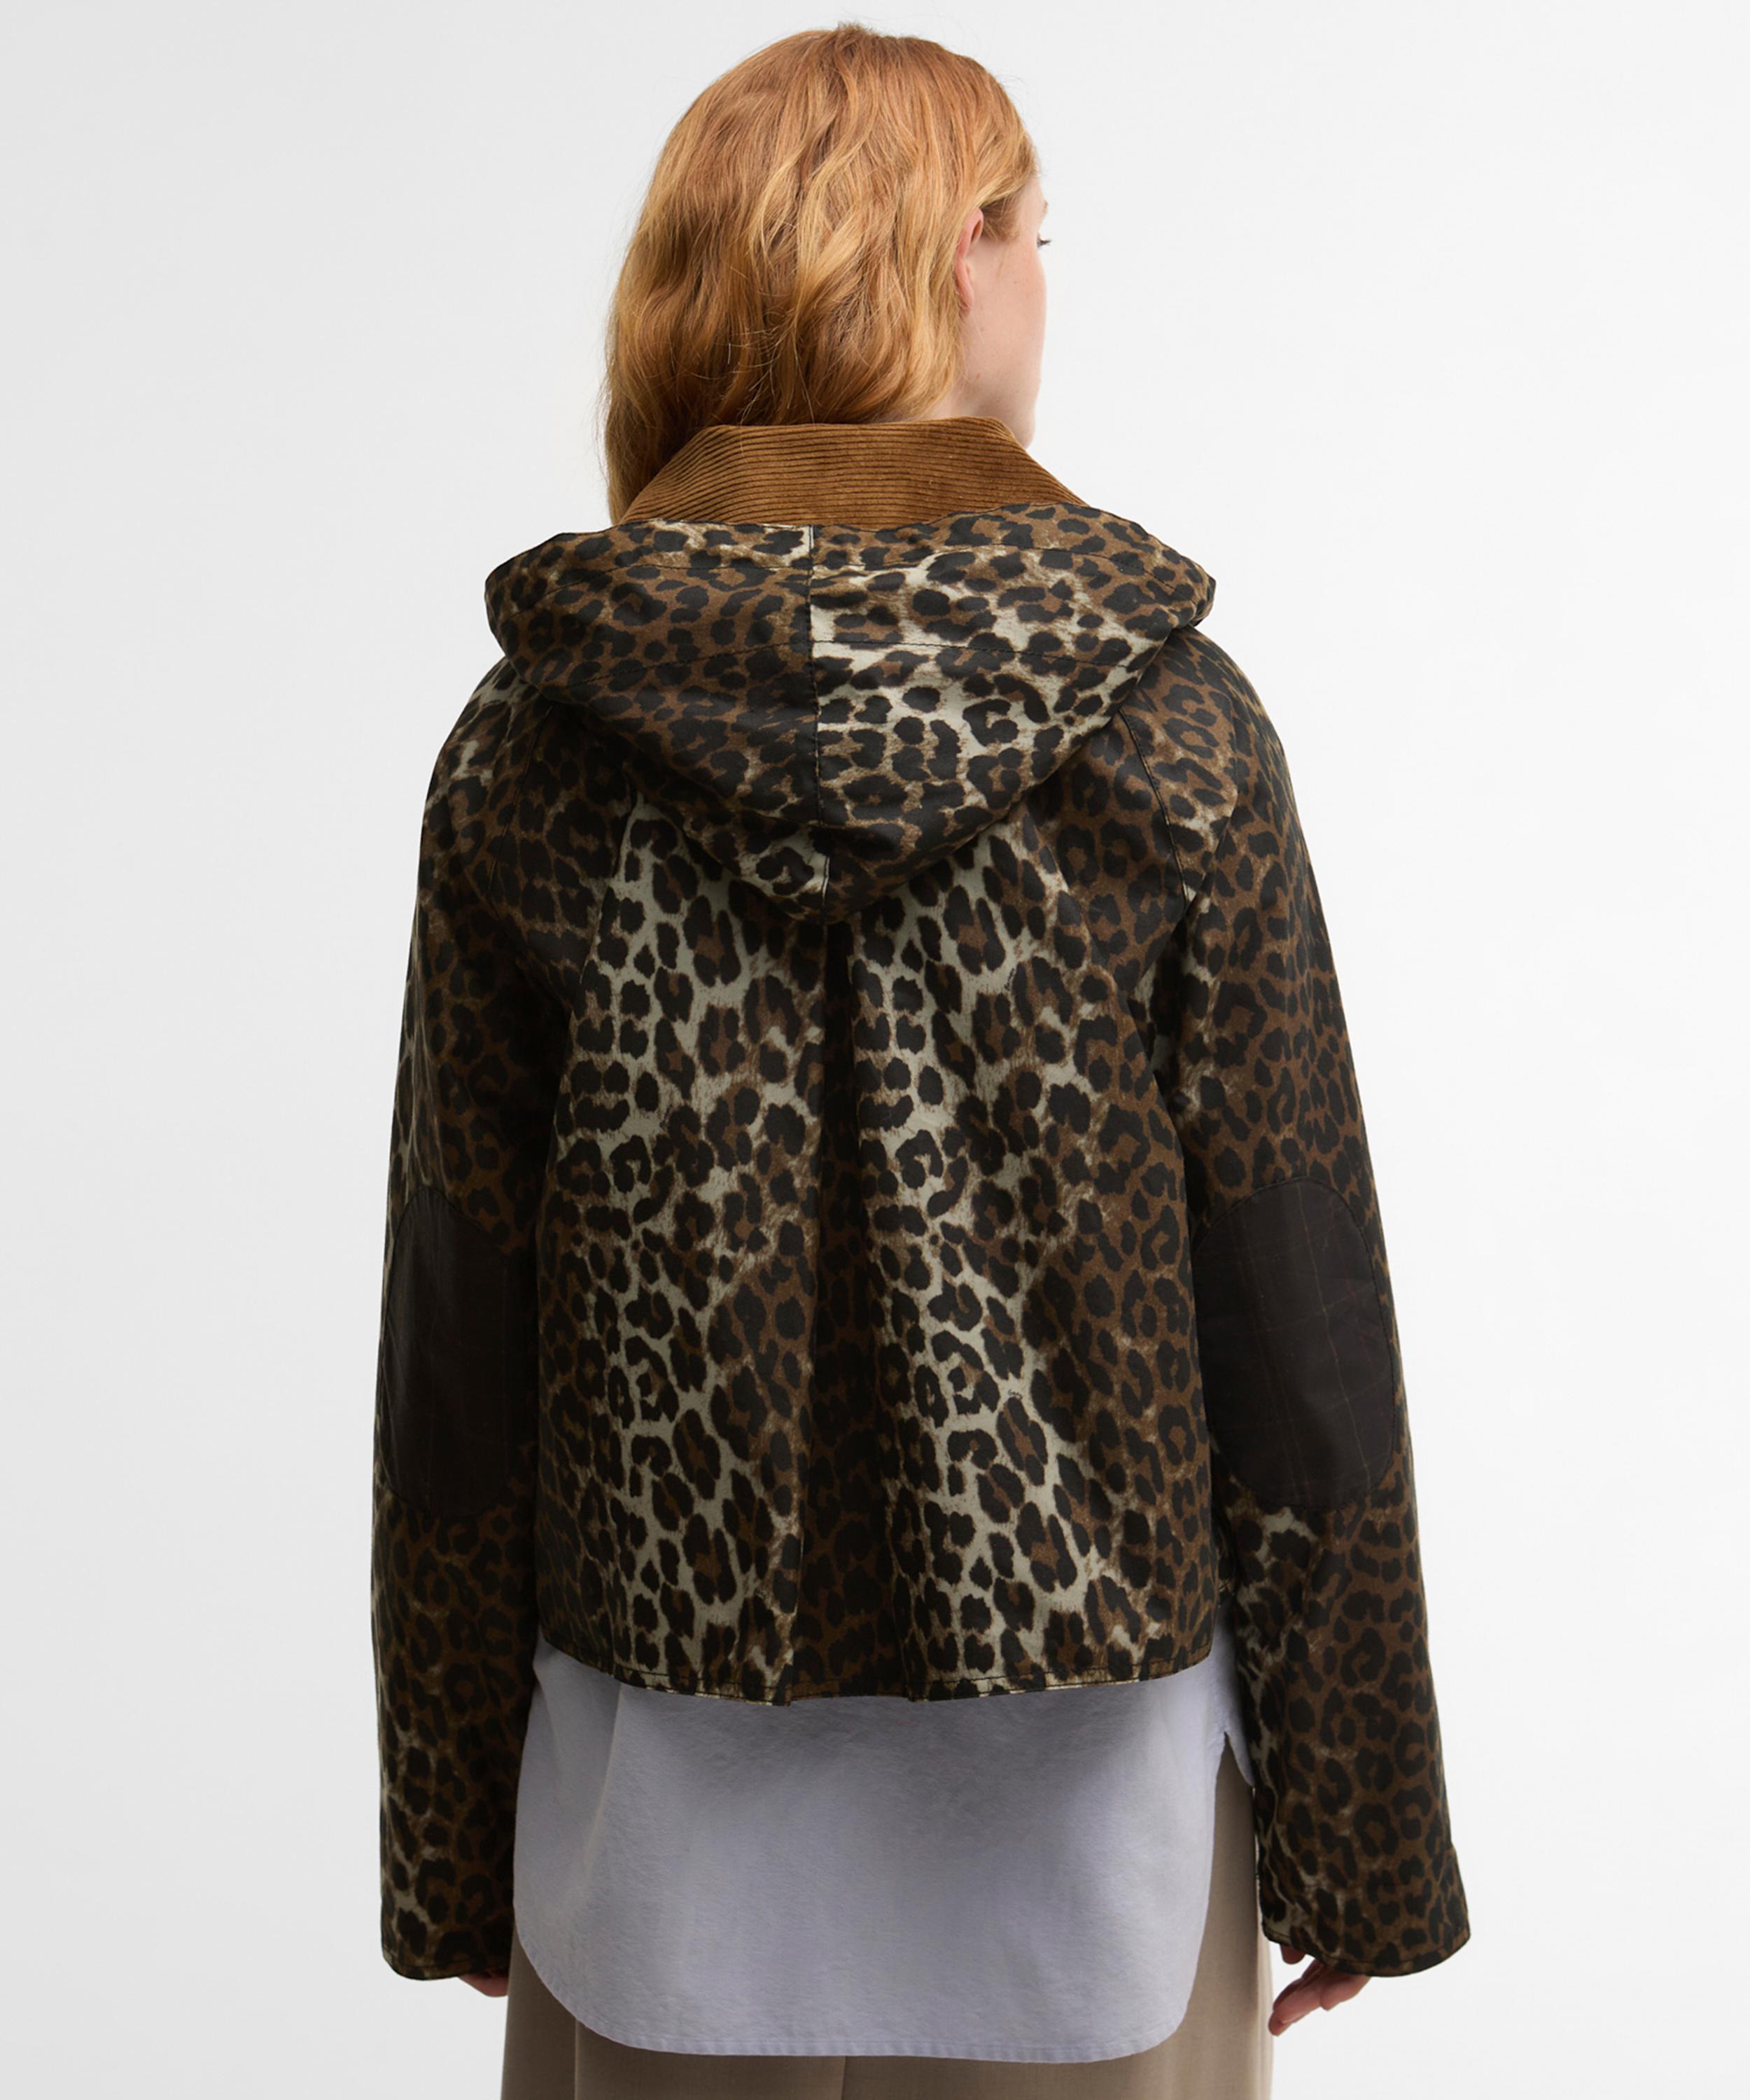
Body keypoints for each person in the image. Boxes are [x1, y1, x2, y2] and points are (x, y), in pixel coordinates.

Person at [368, 24, 1471, 2098]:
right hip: (1097, 1852)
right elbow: (1296, 1312)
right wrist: (1360, 1832)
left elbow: (458, 1348)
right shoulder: (1170, 724)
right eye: (1034, 231)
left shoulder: (533, 746)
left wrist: (447, 1839)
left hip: (655, 1843)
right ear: (954, 262)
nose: (1047, 280)